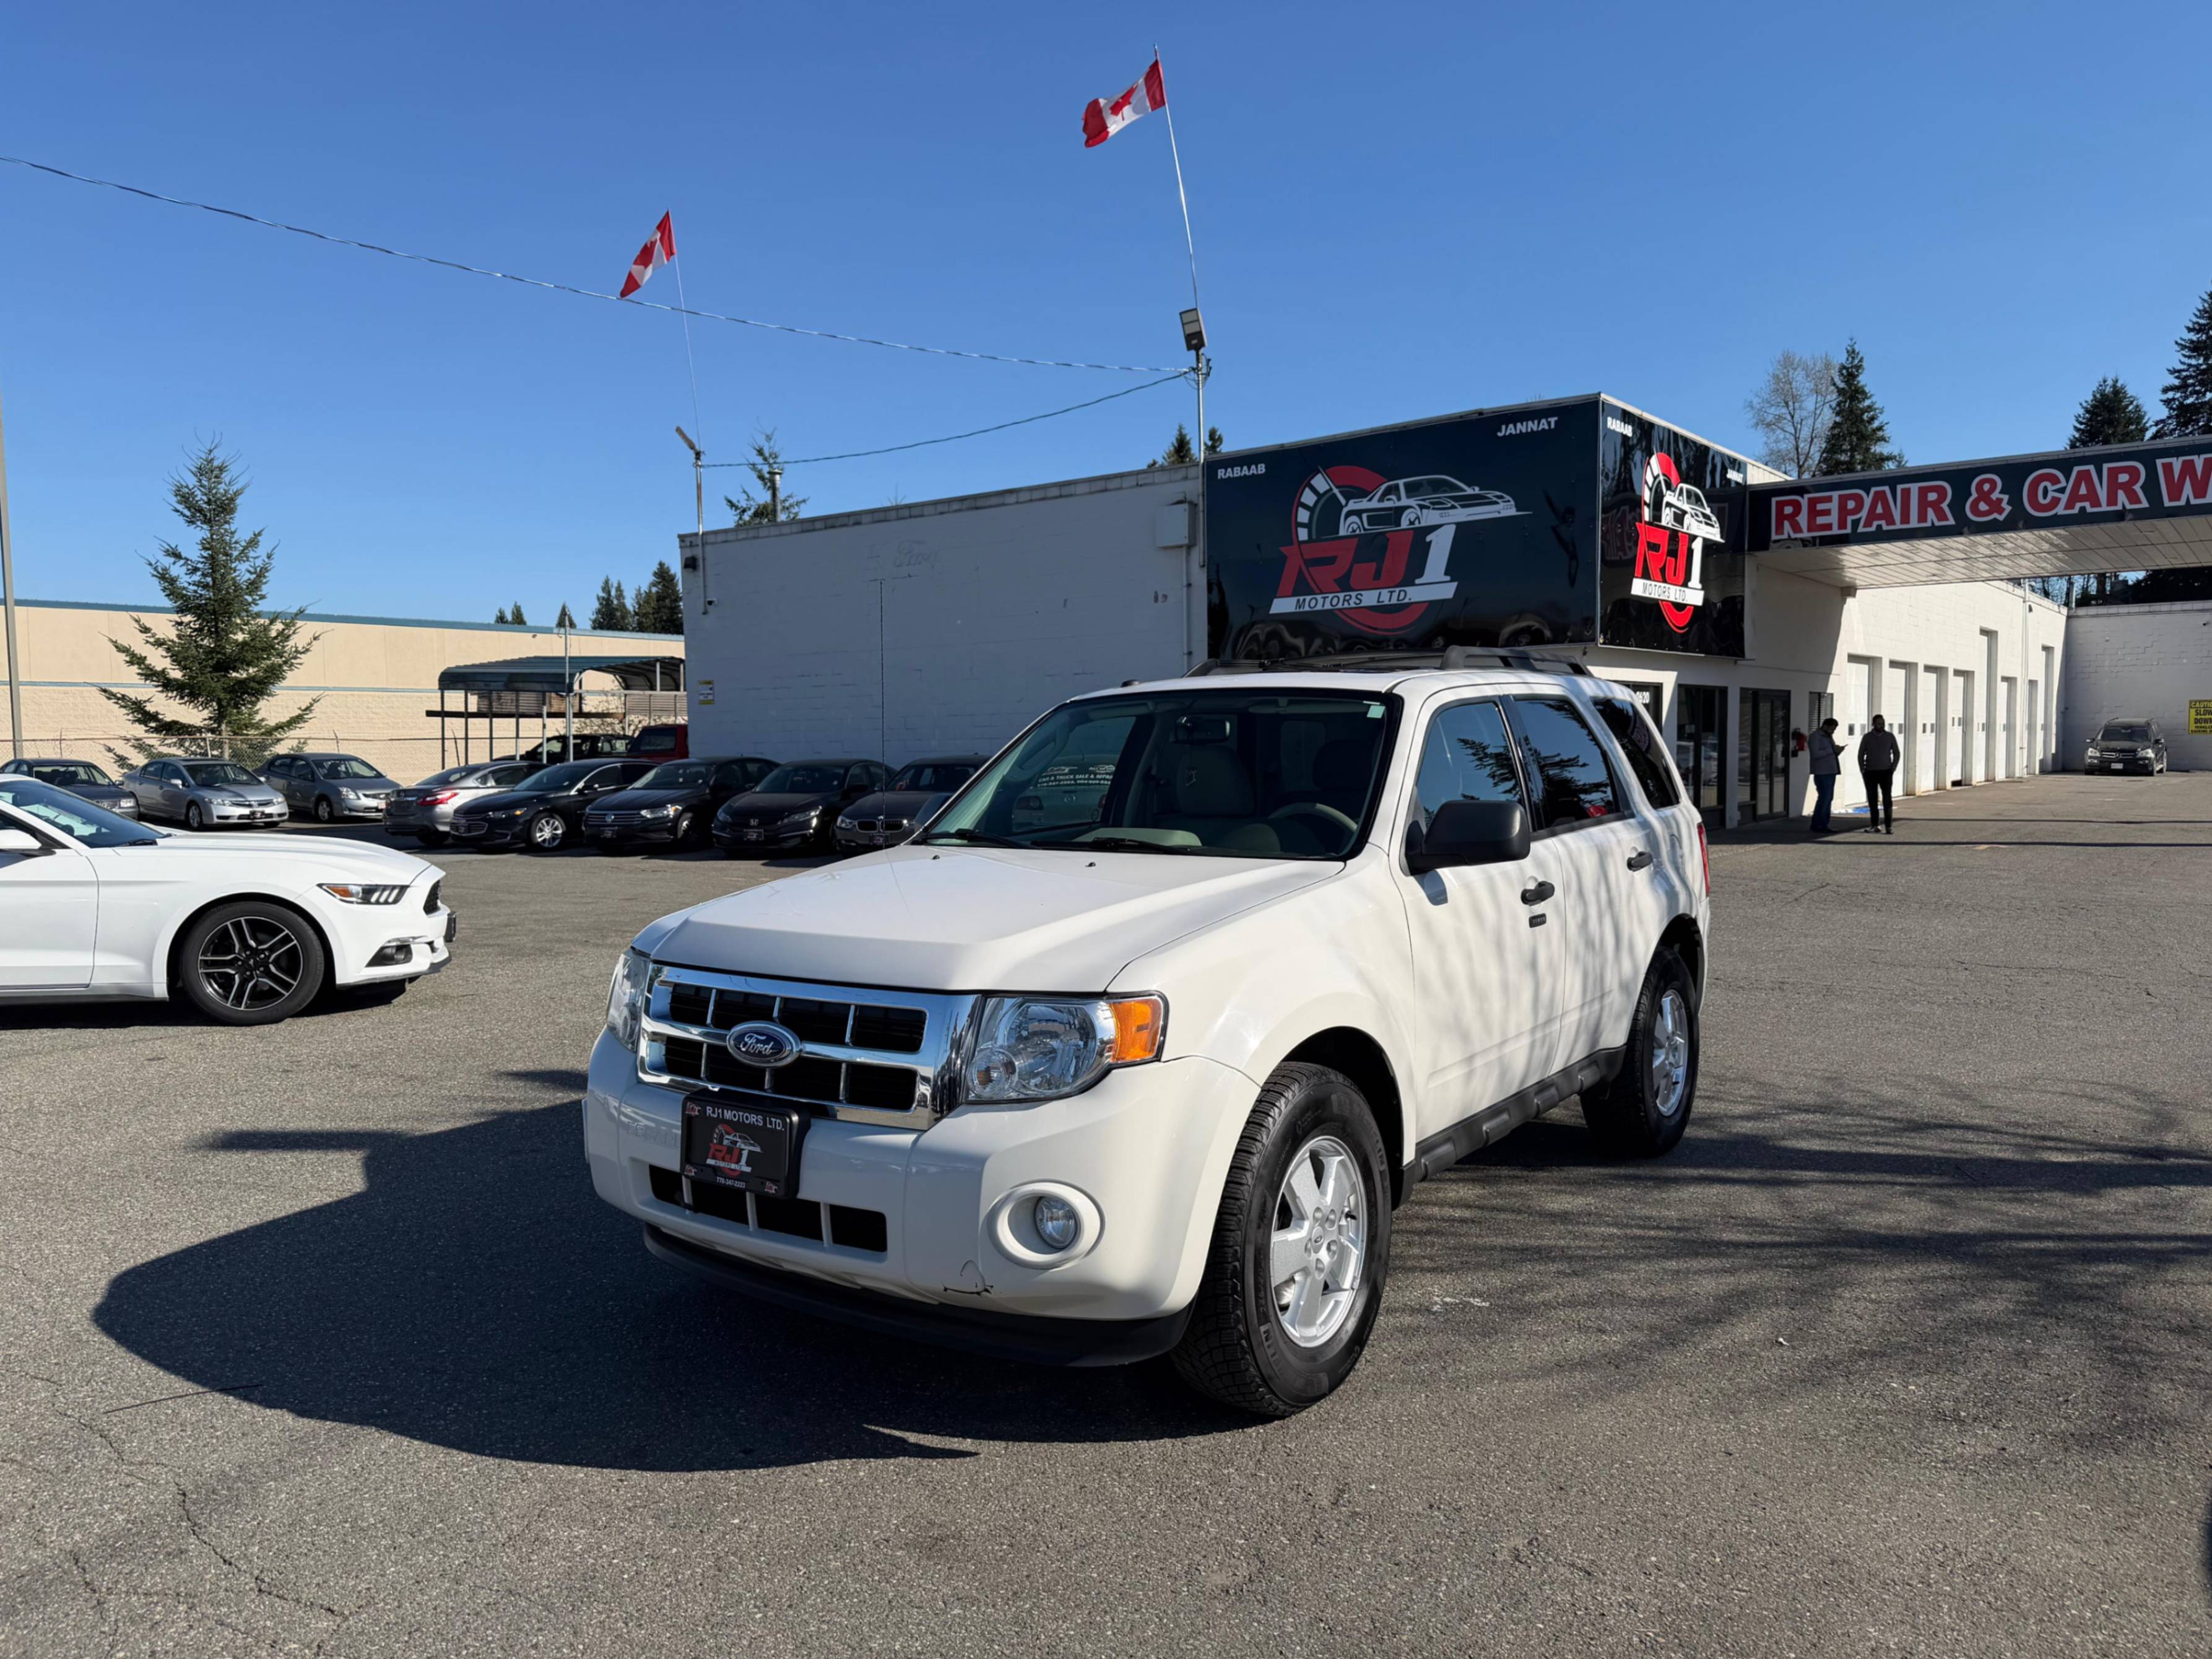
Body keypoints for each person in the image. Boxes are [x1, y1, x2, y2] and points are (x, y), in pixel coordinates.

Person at [1859, 713, 1901, 834]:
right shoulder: (1867, 737)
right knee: (1872, 799)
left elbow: (1897, 753)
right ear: (1873, 724)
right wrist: (1862, 768)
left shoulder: (1890, 737)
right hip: (1870, 772)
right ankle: (1875, 825)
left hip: (1886, 771)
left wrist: (1893, 767)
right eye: (1878, 724)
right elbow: (1861, 753)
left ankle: (1889, 826)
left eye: (1883, 724)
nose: (1881, 726)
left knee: (1887, 798)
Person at [1808, 716, 1843, 832]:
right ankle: (1819, 824)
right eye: (1832, 729)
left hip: (1831, 771)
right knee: (1824, 798)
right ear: (1825, 726)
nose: (1833, 732)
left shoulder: (1828, 737)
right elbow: (1815, 753)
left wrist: (1837, 751)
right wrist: (1832, 750)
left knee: (1828, 798)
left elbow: (1829, 752)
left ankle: (1823, 823)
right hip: (1822, 772)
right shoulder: (1815, 737)